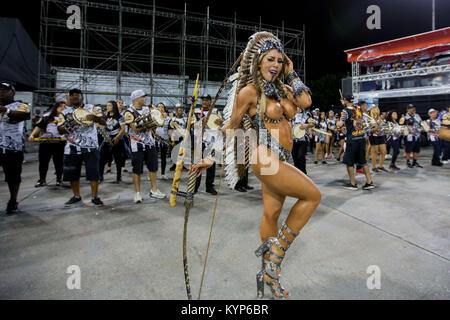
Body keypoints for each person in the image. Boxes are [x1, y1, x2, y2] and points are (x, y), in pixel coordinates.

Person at [194, 32, 321, 299]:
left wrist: (292, 71)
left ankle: (267, 274)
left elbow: (306, 101)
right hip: (264, 157)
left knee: (271, 215)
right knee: (313, 196)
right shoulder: (249, 91)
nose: (274, 64)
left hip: (282, 158)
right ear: (258, 62)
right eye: (270, 59)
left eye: (279, 59)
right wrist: (211, 156)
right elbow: (232, 126)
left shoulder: (285, 89)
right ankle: (275, 258)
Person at [58, 89, 106, 207]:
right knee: (73, 173)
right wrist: (72, 123)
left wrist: (95, 118)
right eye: (72, 96)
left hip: (91, 146)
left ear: (82, 97)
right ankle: (76, 196)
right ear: (69, 98)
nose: (75, 97)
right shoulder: (65, 112)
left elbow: (104, 122)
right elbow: (60, 130)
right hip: (72, 147)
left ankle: (94, 196)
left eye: (77, 95)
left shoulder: (92, 108)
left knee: (93, 172)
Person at [126, 90, 165, 203]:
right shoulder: (129, 112)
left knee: (153, 167)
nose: (145, 99)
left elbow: (155, 125)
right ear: (137, 98)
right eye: (143, 97)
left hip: (150, 143)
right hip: (136, 145)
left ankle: (154, 190)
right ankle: (137, 193)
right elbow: (135, 128)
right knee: (137, 169)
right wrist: (150, 124)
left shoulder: (148, 109)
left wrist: (157, 120)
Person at [0, 82, 31, 214]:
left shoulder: (20, 105)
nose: (1, 92)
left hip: (12, 148)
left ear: (12, 92)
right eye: (0, 90)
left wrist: (6, 110)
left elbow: (23, 115)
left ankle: (13, 200)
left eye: (5, 90)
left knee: (13, 177)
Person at [337, 97, 375, 190]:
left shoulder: (345, 111)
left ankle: (353, 184)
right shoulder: (358, 109)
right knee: (363, 161)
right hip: (361, 138)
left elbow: (339, 124)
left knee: (349, 162)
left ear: (346, 101)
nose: (342, 102)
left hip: (352, 139)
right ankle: (369, 182)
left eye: (343, 100)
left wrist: (338, 123)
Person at [28, 101, 67, 187]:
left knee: (59, 162)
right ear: (58, 107)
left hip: (59, 142)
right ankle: (42, 180)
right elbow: (39, 126)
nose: (65, 109)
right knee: (43, 162)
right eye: (64, 107)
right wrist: (32, 135)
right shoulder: (46, 116)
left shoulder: (64, 117)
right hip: (46, 142)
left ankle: (59, 180)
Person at [195, 94, 220, 195]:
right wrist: (201, 122)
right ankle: (195, 186)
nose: (204, 102)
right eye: (203, 100)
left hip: (212, 142)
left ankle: (209, 186)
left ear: (210, 101)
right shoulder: (196, 112)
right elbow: (193, 125)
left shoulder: (215, 111)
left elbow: (220, 123)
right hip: (200, 142)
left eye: (207, 100)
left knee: (211, 166)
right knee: (198, 164)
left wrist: (220, 121)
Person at [99, 100, 126, 182]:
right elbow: (103, 127)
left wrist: (117, 137)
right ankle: (100, 176)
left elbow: (123, 128)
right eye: (107, 105)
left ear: (113, 107)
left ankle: (118, 176)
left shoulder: (120, 117)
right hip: (106, 140)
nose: (107, 107)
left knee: (118, 159)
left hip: (116, 140)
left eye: (109, 105)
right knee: (101, 159)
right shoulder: (105, 117)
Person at [291, 107, 314, 174]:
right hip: (294, 139)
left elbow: (313, 124)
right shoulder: (292, 114)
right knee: (294, 156)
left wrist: (306, 125)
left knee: (300, 156)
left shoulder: (307, 114)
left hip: (303, 139)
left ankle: (303, 173)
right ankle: (297, 173)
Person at [368, 106, 388, 172]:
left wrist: (385, 128)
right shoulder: (370, 118)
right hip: (374, 136)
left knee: (384, 151)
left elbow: (383, 126)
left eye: (378, 109)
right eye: (377, 109)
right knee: (375, 152)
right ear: (373, 110)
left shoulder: (380, 118)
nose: (378, 110)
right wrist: (376, 125)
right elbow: (369, 129)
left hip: (381, 136)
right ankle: (373, 167)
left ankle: (380, 166)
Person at [169, 104, 188, 171]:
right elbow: (170, 129)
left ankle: (182, 164)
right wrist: (172, 140)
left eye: (181, 109)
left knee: (183, 151)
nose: (180, 110)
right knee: (175, 151)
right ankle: (175, 165)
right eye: (178, 109)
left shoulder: (185, 119)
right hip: (175, 136)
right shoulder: (172, 119)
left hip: (183, 137)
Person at [155, 102, 171, 180]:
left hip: (164, 139)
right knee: (153, 158)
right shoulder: (154, 117)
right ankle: (152, 174)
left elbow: (170, 128)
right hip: (155, 139)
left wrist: (166, 118)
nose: (160, 108)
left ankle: (163, 173)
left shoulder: (167, 118)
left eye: (162, 107)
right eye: (159, 106)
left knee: (163, 158)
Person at [403, 104, 423, 168]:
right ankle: (408, 161)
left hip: (417, 135)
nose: (413, 109)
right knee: (408, 149)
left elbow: (421, 122)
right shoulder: (405, 117)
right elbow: (402, 125)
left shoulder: (417, 116)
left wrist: (422, 126)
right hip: (409, 136)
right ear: (408, 110)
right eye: (411, 108)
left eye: (414, 108)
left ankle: (415, 162)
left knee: (416, 149)